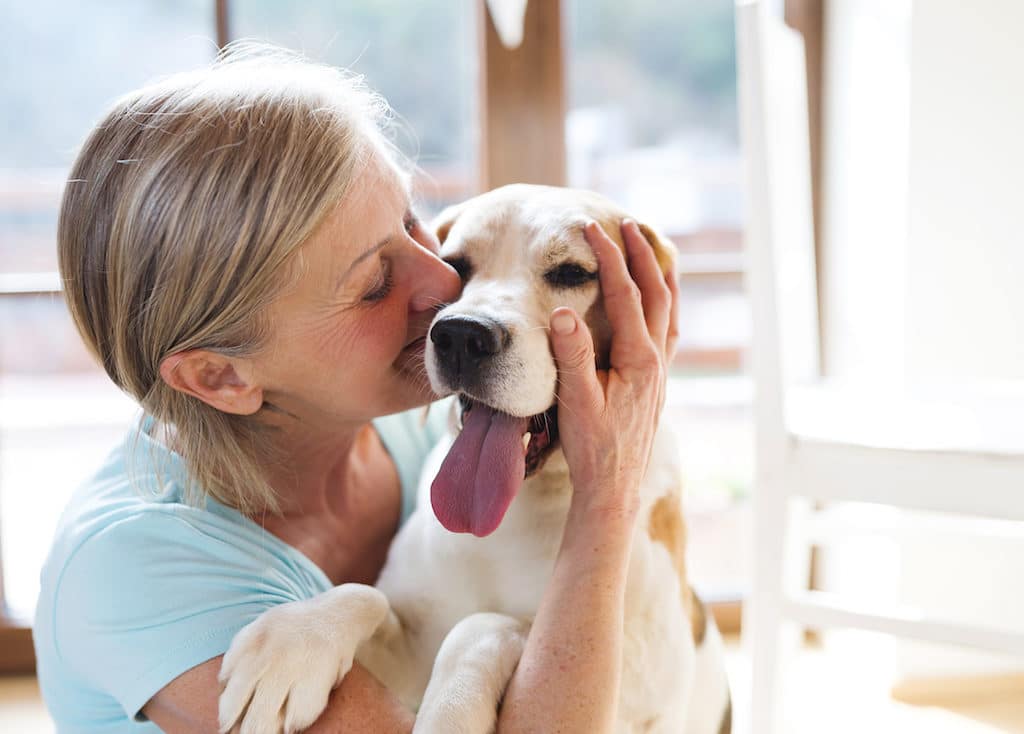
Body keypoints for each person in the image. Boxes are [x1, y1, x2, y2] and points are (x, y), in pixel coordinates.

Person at [33, 44, 678, 733]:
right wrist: (608, 495)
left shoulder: (417, 425)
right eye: (373, 283)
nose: (444, 288)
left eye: (412, 225)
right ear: (221, 374)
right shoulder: (139, 576)